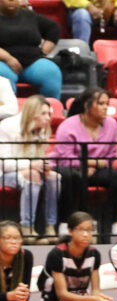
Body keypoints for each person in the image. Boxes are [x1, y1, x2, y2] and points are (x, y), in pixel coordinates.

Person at [53, 88, 117, 237]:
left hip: (96, 169)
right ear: (87, 105)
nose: (106, 107)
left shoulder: (111, 124)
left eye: (107, 103)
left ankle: (116, 223)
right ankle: (65, 223)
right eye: (100, 103)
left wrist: (92, 165)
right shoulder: (68, 126)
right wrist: (87, 165)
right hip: (69, 167)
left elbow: (111, 155)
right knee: (70, 176)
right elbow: (65, 157)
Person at [0, 95, 60, 244]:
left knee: (54, 177)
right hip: (4, 174)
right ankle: (27, 228)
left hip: (28, 172)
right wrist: (32, 165)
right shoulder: (7, 127)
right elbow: (4, 164)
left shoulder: (42, 129)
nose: (48, 118)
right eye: (43, 114)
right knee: (33, 175)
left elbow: (39, 158)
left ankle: (50, 227)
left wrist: (44, 165)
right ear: (32, 113)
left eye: (49, 114)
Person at [0, 0, 61, 99]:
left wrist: (43, 52)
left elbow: (54, 28)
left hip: (32, 62)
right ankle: (7, 114)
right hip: (3, 63)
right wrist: (8, 58)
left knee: (51, 72)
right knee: (3, 81)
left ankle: (49, 111)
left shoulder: (29, 16)